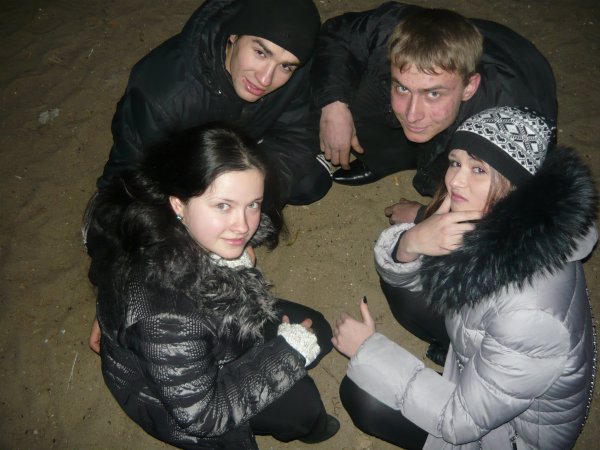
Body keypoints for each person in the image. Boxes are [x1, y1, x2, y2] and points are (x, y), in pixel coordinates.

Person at [332, 106, 597, 449]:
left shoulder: (530, 315)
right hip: (493, 350)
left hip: (511, 437)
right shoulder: (499, 224)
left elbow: (461, 422)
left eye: (478, 169)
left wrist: (369, 350)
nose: (455, 180)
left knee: (363, 394)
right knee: (405, 279)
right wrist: (412, 241)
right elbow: (407, 275)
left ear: (517, 187)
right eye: (455, 162)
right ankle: (453, 354)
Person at [83, 124, 339, 448]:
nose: (243, 226)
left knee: (319, 329)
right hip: (190, 396)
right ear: (178, 204)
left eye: (253, 204)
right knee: (303, 409)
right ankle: (309, 425)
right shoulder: (165, 318)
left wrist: (107, 307)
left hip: (218, 333)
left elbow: (107, 241)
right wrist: (287, 354)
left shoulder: (163, 217)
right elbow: (204, 416)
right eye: (223, 206)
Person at [310, 3, 557, 219]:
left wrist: (423, 216)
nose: (412, 113)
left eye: (433, 94)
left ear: (469, 87)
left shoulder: (512, 121)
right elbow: (338, 34)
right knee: (361, 92)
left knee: (466, 174)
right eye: (403, 87)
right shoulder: (393, 32)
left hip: (517, 66)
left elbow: (519, 213)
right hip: (460, 44)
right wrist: (333, 106)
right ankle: (386, 160)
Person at [97, 0, 330, 206]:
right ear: (234, 35)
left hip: (246, 142)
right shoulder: (164, 95)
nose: (265, 79)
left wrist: (251, 194)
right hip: (184, 164)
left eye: (285, 66)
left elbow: (297, 134)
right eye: (261, 52)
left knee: (309, 182)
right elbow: (129, 169)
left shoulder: (295, 70)